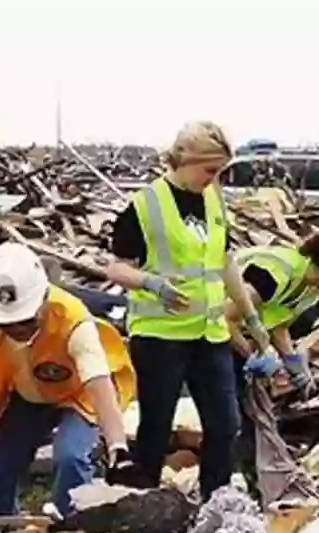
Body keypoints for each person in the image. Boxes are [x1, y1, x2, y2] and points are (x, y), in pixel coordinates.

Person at [105, 121, 269, 500]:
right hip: (160, 336)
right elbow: (115, 267)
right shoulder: (145, 205)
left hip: (209, 334)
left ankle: (217, 501)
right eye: (210, 170)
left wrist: (251, 319)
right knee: (156, 427)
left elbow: (224, 263)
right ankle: (141, 504)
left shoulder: (213, 199)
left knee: (225, 425)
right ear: (185, 160)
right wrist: (153, 284)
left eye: (221, 172)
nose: (215, 180)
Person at [0, 243, 136, 516]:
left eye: (26, 322)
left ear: (43, 299)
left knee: (71, 458)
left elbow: (98, 383)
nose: (18, 330)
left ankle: (70, 523)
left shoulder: (73, 321)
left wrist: (118, 448)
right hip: (30, 393)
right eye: (7, 325)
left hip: (79, 396)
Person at [229, 235, 319, 504]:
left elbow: (278, 324)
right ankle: (233, 484)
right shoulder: (275, 273)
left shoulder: (309, 288)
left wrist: (293, 363)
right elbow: (224, 318)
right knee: (232, 418)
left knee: (257, 416)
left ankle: (259, 487)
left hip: (232, 336)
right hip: (199, 332)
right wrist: (253, 357)